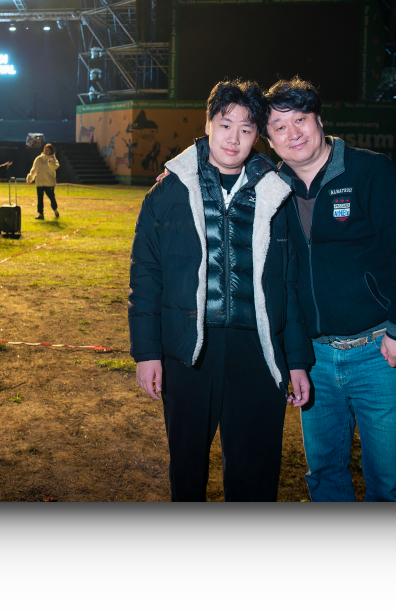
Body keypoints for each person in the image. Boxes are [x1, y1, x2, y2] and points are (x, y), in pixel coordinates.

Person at [128, 79, 313, 502]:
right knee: (187, 469)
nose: (234, 138)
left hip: (258, 352)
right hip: (190, 352)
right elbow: (146, 276)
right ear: (208, 123)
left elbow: (289, 284)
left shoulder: (276, 193)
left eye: (246, 129)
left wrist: (298, 360)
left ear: (257, 134)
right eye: (226, 125)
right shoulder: (169, 190)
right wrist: (147, 352)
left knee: (254, 475)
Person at [263, 77, 396, 502]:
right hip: (314, 359)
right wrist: (176, 172)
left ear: (319, 121)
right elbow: (221, 155)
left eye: (300, 119)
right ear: (269, 140)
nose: (292, 132)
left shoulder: (370, 171)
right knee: (324, 477)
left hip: (379, 354)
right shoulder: (271, 189)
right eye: (279, 126)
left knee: (389, 483)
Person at [26, 143, 60, 220]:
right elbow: (34, 169)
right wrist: (29, 179)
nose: (45, 150)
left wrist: (51, 163)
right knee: (40, 199)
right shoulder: (39, 158)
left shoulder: (53, 158)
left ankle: (55, 210)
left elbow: (55, 167)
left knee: (52, 198)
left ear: (51, 150)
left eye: (47, 149)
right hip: (40, 182)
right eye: (45, 149)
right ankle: (40, 214)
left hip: (49, 183)